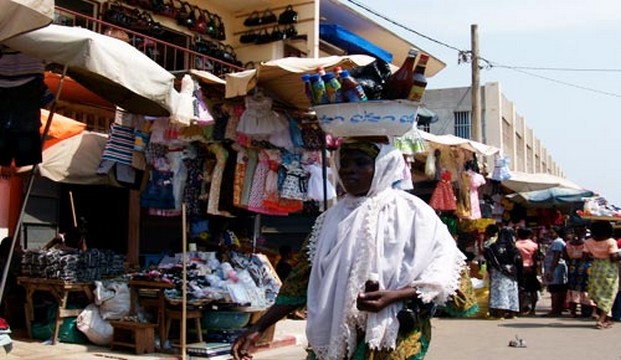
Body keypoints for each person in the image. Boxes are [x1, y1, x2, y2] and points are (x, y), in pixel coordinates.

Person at [231, 139, 473, 360]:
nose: (349, 170)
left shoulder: (413, 214)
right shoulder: (329, 221)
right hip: (336, 335)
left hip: (392, 338)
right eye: (344, 163)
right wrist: (258, 327)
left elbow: (447, 274)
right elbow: (300, 282)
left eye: (361, 163)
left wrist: (396, 296)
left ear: (383, 166)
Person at [583, 221, 620, 329]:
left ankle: (606, 319)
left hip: (595, 268)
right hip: (609, 269)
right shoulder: (611, 241)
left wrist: (596, 254)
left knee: (598, 293)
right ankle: (601, 320)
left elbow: (584, 256)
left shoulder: (588, 241)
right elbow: (613, 258)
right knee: (609, 295)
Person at [484, 227, 522, 319]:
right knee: (511, 291)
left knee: (500, 292)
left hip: (498, 272)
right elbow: (519, 260)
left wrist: (494, 269)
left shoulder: (493, 246)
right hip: (512, 272)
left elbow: (490, 259)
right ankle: (512, 313)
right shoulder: (513, 248)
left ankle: (499, 313)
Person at [564, 226, 595, 317]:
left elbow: (565, 256)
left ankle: (573, 311)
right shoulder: (587, 243)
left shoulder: (569, 243)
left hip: (573, 266)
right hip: (585, 266)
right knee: (586, 287)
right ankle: (588, 311)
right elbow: (589, 255)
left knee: (573, 286)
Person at [514, 227, 542, 316]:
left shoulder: (515, 244)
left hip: (519, 268)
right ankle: (533, 309)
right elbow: (536, 258)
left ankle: (520, 309)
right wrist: (537, 269)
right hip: (530, 268)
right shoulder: (534, 245)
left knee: (521, 290)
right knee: (533, 290)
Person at [542, 226, 568, 316]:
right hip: (555, 268)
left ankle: (555, 310)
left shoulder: (557, 242)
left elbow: (556, 257)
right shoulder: (556, 242)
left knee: (555, 290)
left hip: (556, 269)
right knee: (556, 289)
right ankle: (557, 309)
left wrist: (551, 271)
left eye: (552, 232)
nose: (550, 234)